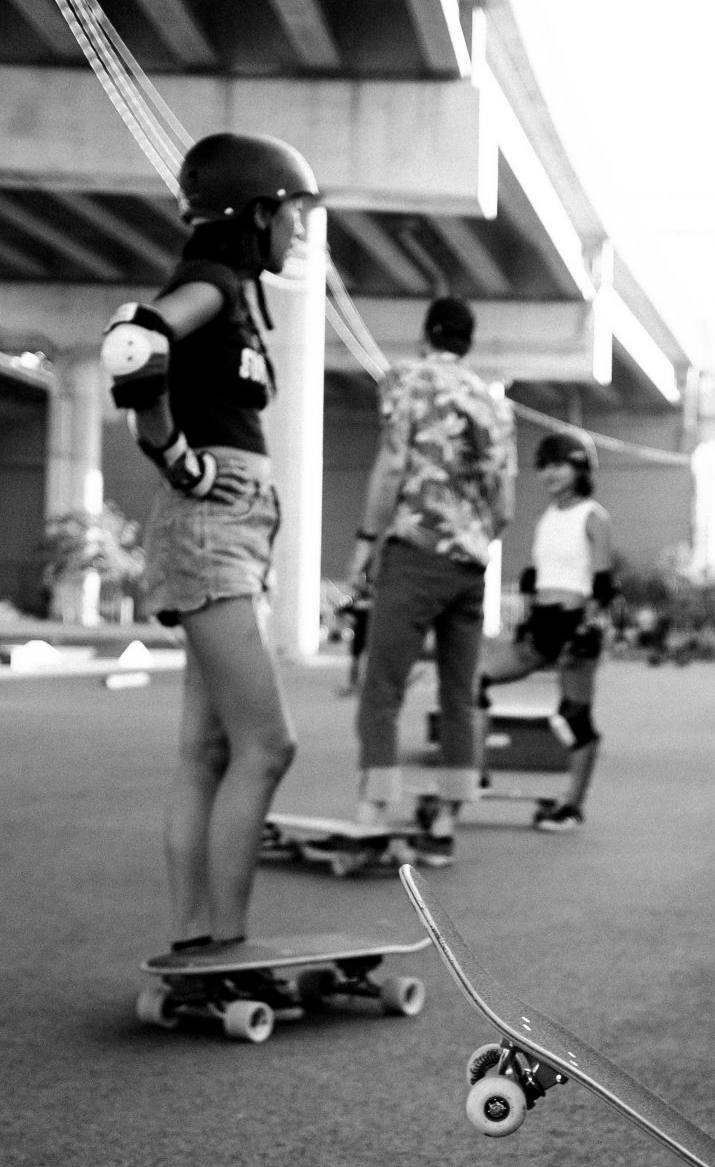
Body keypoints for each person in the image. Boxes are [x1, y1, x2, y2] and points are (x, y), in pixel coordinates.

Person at [99, 131, 318, 974]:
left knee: (209, 750)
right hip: (212, 518)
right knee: (269, 744)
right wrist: (174, 454)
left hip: (228, 523)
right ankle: (228, 945)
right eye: (290, 216)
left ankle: (198, 939)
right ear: (253, 212)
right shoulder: (213, 282)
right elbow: (135, 341)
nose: (296, 234)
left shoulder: (233, 293)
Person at [345, 296, 517, 867]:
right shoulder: (494, 402)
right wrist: (472, 534)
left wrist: (367, 541)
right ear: (468, 342)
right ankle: (444, 824)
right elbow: (507, 505)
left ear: (426, 335)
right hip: (470, 566)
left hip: (415, 553)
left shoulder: (407, 381)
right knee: (458, 697)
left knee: (383, 688)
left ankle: (373, 816)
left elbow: (394, 463)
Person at [479, 432, 614, 832]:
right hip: (542, 623)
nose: (550, 473)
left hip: (576, 624)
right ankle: (476, 770)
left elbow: (603, 583)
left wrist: (589, 628)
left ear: (580, 468)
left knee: (574, 716)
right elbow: (536, 578)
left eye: (560, 464)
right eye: (545, 465)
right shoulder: (547, 518)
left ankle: (572, 805)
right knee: (475, 681)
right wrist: (525, 620)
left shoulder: (594, 516)